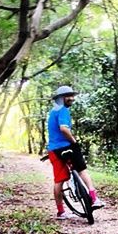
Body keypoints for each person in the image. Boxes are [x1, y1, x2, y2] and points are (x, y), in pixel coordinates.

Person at [47, 85, 104, 219]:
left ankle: (61, 212)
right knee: (82, 170)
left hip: (53, 149)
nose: (71, 98)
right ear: (61, 98)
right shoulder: (63, 111)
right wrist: (74, 142)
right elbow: (64, 129)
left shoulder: (53, 111)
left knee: (59, 181)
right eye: (68, 96)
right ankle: (94, 198)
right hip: (67, 146)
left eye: (72, 96)